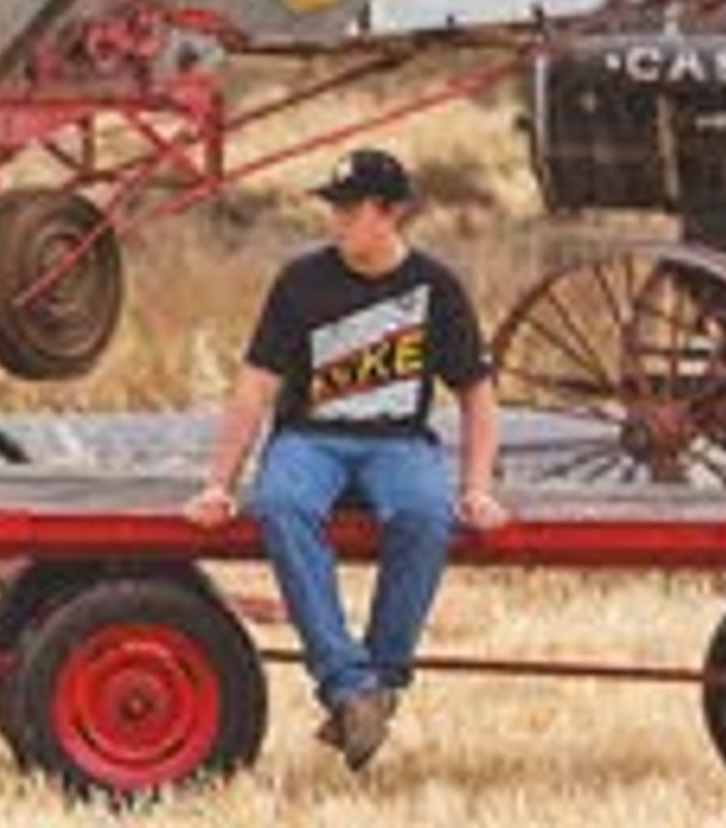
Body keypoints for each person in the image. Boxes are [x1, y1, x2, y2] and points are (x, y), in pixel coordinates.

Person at [183, 146, 506, 773]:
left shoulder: (435, 287)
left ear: (391, 213)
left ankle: (376, 685)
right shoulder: (301, 281)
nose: (336, 221)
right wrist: (217, 484)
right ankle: (347, 683)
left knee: (425, 515)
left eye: (350, 209)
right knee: (280, 505)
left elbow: (476, 391)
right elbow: (255, 384)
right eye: (333, 208)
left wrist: (477, 487)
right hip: (310, 440)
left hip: (399, 442)